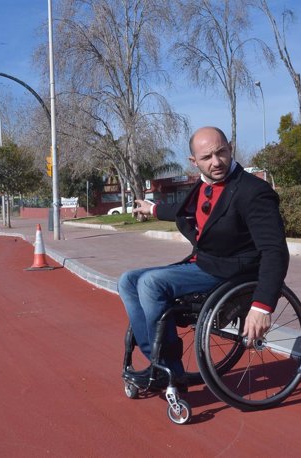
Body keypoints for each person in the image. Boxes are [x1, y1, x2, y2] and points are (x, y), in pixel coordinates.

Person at [119, 126, 289, 388]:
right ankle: (159, 362)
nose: (216, 162)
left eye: (221, 153)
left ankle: (168, 368)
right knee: (128, 280)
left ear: (230, 148)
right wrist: (153, 209)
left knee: (151, 283)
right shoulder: (204, 183)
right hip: (206, 262)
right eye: (207, 158)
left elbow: (275, 250)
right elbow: (186, 209)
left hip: (231, 271)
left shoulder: (253, 191)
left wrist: (262, 306)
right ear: (193, 161)